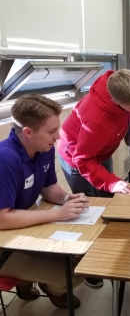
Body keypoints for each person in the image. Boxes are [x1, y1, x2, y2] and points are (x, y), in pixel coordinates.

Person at [58, 69, 130, 288]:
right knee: (88, 210)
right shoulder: (95, 119)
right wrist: (112, 181)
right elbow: (83, 160)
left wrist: (110, 183)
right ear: (116, 102)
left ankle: (112, 251)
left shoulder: (123, 88)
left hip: (100, 153)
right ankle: (88, 263)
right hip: (78, 159)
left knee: (109, 202)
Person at [0, 94, 87, 309]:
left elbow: (48, 188)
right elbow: (2, 219)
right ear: (28, 132)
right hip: (4, 243)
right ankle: (43, 284)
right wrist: (56, 214)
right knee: (74, 275)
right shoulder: (5, 159)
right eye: (51, 131)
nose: (58, 136)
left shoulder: (44, 148)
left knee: (81, 254)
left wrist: (68, 199)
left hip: (24, 226)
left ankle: (29, 278)